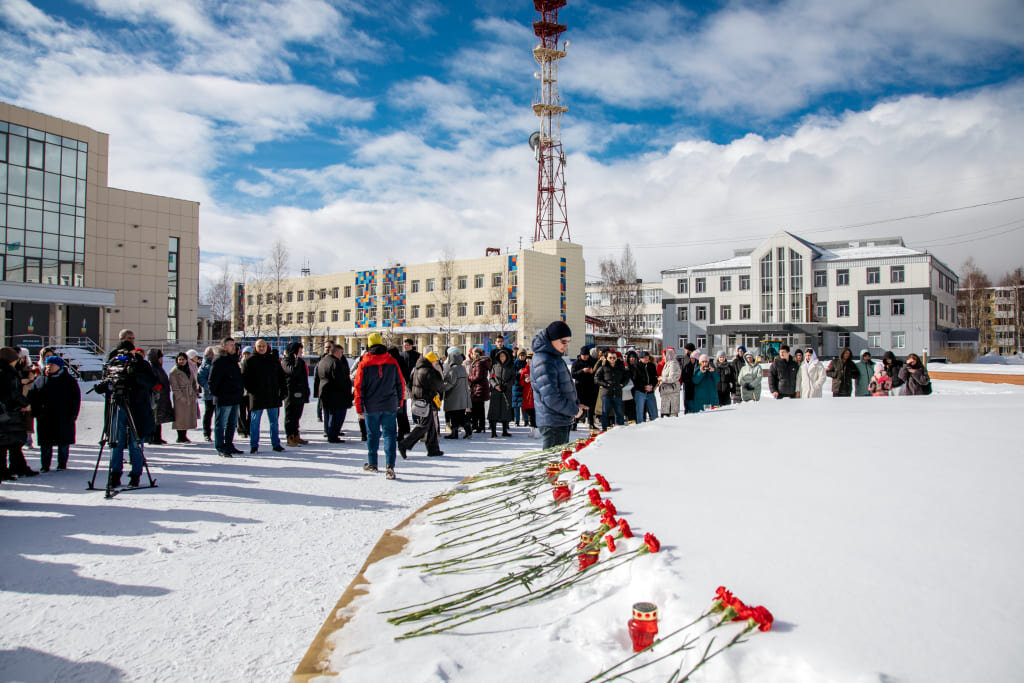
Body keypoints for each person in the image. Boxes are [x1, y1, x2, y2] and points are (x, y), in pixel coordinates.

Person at [95, 346, 157, 488]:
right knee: (116, 441)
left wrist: (135, 375)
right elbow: (110, 380)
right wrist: (103, 386)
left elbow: (152, 382)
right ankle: (115, 474)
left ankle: (135, 475)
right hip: (119, 404)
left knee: (135, 443)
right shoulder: (114, 362)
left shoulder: (141, 364)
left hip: (137, 408)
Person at [353, 332, 405, 479]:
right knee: (390, 435)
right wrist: (399, 402)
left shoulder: (364, 362)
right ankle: (390, 466)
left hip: (371, 406)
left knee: (372, 435)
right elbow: (400, 382)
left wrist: (359, 407)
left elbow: (358, 386)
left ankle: (373, 463)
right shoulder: (392, 360)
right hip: (389, 404)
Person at [530, 320, 583, 449]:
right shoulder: (544, 360)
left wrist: (575, 403)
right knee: (554, 461)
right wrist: (574, 410)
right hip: (553, 422)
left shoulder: (553, 357)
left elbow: (563, 387)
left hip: (559, 419)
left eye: (568, 342)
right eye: (563, 342)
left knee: (561, 459)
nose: (566, 346)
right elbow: (551, 398)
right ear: (552, 339)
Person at [28, 355, 80, 471]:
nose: (48, 367)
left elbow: (75, 399)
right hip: (45, 417)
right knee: (45, 443)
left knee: (63, 442)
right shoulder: (40, 380)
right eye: (47, 364)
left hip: (63, 416)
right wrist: (36, 411)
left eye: (52, 365)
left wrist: (73, 414)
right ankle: (45, 465)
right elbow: (32, 396)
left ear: (59, 366)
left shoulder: (69, 380)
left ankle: (62, 464)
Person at [241, 339, 286, 454]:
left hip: (272, 395)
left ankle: (276, 444)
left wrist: (283, 391)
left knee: (274, 422)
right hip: (257, 397)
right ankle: (254, 445)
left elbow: (281, 377)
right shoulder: (249, 361)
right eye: (259, 346)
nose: (261, 348)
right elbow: (244, 379)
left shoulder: (273, 360)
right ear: (255, 347)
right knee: (254, 422)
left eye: (263, 346)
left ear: (267, 347)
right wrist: (252, 391)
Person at [398, 351, 444, 458]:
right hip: (425, 400)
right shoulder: (427, 371)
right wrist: (437, 372)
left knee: (430, 426)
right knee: (424, 425)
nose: (436, 364)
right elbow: (438, 384)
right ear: (431, 361)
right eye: (435, 362)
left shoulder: (418, 368)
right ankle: (404, 444)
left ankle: (433, 449)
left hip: (420, 399)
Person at [0, 346, 34, 479]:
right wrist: (25, 404)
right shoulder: (8, 373)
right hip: (9, 412)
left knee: (6, 443)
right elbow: (13, 393)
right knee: (12, 442)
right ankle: (12, 469)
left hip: (3, 412)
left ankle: (15, 468)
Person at [208, 337, 245, 457]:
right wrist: (218, 394)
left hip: (234, 397)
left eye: (234, 345)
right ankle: (220, 447)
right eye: (230, 345)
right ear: (224, 347)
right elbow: (212, 381)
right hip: (224, 398)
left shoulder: (233, 360)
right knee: (221, 424)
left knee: (232, 424)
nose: (233, 347)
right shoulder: (219, 360)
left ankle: (229, 444)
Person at [317, 342, 353, 443]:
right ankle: (332, 435)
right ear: (336, 352)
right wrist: (347, 390)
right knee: (335, 416)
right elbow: (340, 379)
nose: (342, 355)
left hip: (324, 391)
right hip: (335, 393)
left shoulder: (323, 361)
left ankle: (329, 432)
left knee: (328, 414)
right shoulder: (335, 362)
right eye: (341, 352)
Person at [281, 342, 311, 447]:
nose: (301, 354)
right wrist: (297, 360)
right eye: (299, 352)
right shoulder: (286, 361)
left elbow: (304, 377)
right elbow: (293, 372)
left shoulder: (300, 362)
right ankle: (290, 437)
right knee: (290, 416)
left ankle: (296, 434)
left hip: (300, 392)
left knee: (297, 415)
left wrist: (306, 391)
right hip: (290, 393)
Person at [442, 347, 472, 439]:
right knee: (461, 415)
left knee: (454, 416)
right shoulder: (462, 368)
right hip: (463, 397)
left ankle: (454, 433)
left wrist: (441, 387)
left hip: (454, 396)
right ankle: (467, 428)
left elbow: (450, 383)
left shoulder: (453, 370)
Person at [169, 352, 199, 442]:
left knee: (187, 417)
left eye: (183, 359)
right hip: (180, 397)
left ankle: (184, 436)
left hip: (189, 395)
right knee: (180, 417)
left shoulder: (188, 369)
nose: (181, 361)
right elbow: (174, 387)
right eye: (180, 359)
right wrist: (181, 397)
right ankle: (180, 436)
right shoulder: (174, 371)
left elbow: (193, 382)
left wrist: (195, 392)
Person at [595, 351, 628, 430]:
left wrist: (622, 384)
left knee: (619, 413)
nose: (612, 359)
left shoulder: (620, 367)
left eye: (614, 357)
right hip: (606, 393)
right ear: (607, 358)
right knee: (605, 413)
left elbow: (626, 377)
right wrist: (605, 384)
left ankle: (619, 429)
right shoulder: (603, 367)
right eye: (610, 357)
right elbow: (596, 378)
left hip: (617, 393)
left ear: (616, 358)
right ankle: (605, 429)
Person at [147, 348, 174, 444]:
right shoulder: (152, 368)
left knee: (159, 418)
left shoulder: (159, 368)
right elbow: (152, 382)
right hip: (156, 396)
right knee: (155, 417)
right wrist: (157, 387)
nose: (161, 360)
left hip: (162, 396)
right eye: (160, 358)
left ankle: (158, 436)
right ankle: (154, 437)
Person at [487, 348, 516, 437]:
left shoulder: (510, 366)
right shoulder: (495, 366)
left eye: (503, 356)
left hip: (506, 392)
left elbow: (513, 379)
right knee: (494, 412)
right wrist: (495, 385)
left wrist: (506, 386)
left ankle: (504, 430)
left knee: (505, 411)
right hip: (496, 392)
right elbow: (491, 378)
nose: (502, 358)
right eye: (500, 356)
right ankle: (493, 432)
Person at [571, 346, 598, 431]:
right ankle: (574, 423)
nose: (585, 357)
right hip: (580, 387)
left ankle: (591, 423)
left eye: (587, 355)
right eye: (584, 355)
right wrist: (582, 371)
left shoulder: (593, 361)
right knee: (579, 406)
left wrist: (592, 372)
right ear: (581, 355)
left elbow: (598, 372)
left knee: (591, 406)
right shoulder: (576, 363)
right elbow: (573, 374)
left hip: (591, 387)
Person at [387, 347, 412, 440]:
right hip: (402, 390)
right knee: (402, 412)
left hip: (396, 390)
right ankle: (404, 429)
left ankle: (400, 432)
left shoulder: (394, 363)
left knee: (397, 413)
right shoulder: (401, 361)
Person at [467, 348, 491, 433]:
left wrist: (468, 377)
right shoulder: (482, 362)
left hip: (479, 388)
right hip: (481, 387)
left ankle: (478, 426)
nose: (472, 355)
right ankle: (481, 426)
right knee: (480, 408)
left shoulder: (479, 363)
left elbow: (477, 377)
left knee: (476, 408)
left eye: (473, 354)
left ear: (476, 354)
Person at [633, 351, 659, 423]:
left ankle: (657, 426)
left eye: (647, 357)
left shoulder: (651, 366)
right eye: (644, 357)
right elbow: (635, 380)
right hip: (640, 392)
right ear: (640, 358)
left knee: (654, 412)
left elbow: (655, 378)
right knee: (640, 412)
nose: (646, 359)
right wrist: (644, 387)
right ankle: (640, 425)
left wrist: (652, 386)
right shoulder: (636, 366)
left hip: (650, 392)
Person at [197, 346, 216, 441]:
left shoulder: (215, 364)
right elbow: (201, 379)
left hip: (217, 394)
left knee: (218, 415)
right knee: (208, 414)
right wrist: (209, 387)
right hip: (209, 395)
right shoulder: (204, 366)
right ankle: (206, 433)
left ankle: (218, 433)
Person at [236, 345, 255, 439]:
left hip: (251, 392)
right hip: (240, 392)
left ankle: (249, 429)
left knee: (251, 412)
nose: (246, 356)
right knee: (241, 412)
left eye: (248, 354)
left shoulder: (254, 365)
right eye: (245, 354)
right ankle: (241, 430)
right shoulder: (238, 365)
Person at [658, 347, 682, 416]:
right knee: (665, 415)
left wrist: (662, 379)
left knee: (671, 416)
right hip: (667, 393)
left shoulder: (673, 364)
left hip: (672, 395)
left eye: (664, 355)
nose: (663, 357)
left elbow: (672, 378)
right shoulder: (668, 363)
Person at [519, 359, 537, 437]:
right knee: (529, 412)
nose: (529, 361)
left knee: (535, 413)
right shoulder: (524, 370)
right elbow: (521, 382)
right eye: (528, 359)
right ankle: (532, 430)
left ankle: (537, 430)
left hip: (535, 394)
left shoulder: (537, 369)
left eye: (531, 359)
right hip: (527, 395)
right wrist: (525, 381)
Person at [512, 349, 528, 426]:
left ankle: (526, 420)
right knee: (516, 405)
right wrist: (518, 373)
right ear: (518, 356)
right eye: (520, 355)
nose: (522, 357)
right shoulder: (515, 363)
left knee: (524, 405)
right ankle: (517, 420)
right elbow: (512, 373)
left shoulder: (527, 363)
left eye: (523, 355)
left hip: (524, 386)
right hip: (516, 386)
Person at [681, 343, 697, 414]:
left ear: (689, 350)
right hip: (686, 383)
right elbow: (682, 369)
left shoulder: (696, 358)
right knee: (686, 400)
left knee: (691, 401)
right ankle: (686, 411)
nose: (685, 350)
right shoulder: (684, 358)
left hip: (693, 383)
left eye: (686, 349)